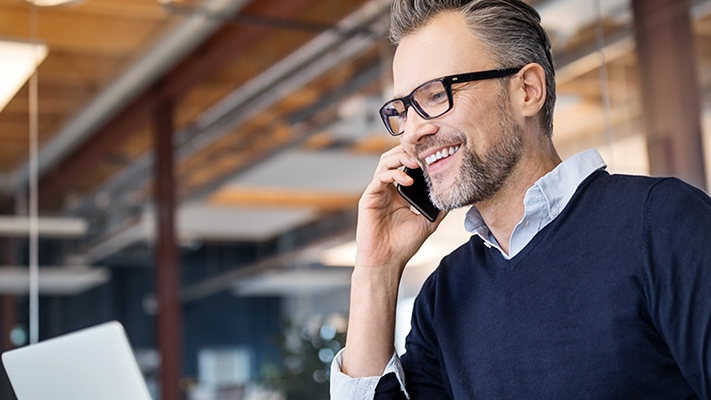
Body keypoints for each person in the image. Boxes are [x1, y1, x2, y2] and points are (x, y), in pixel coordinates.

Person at [329, 0, 711, 399]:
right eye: (404, 110)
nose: (412, 133)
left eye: (435, 95)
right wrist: (377, 271)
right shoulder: (444, 296)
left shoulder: (662, 223)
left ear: (527, 91)